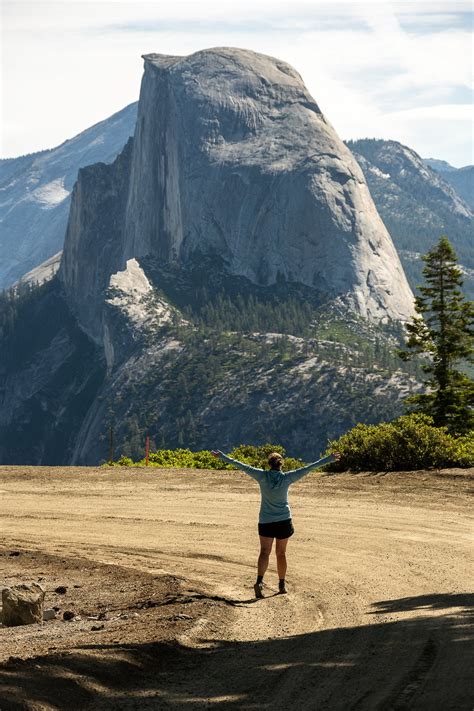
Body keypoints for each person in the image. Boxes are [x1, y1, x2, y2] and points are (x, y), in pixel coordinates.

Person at [211, 448, 339, 598]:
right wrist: (328, 459)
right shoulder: (287, 478)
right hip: (284, 521)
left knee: (264, 552)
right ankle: (281, 585)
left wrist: (222, 456)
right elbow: (309, 468)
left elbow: (241, 465)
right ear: (281, 464)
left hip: (265, 521)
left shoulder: (261, 476)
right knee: (281, 553)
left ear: (269, 464)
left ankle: (259, 581)